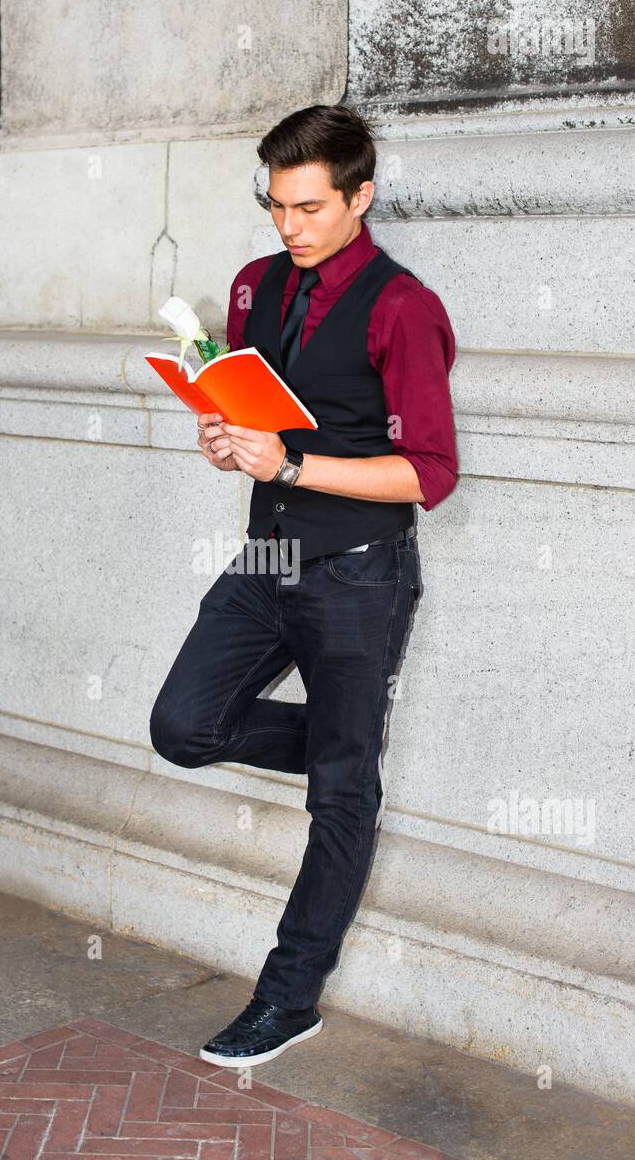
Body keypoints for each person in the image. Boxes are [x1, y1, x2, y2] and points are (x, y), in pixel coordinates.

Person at [149, 103, 458, 1068]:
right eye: (275, 204)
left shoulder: (405, 308)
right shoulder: (251, 288)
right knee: (184, 727)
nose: (289, 226)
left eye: (310, 206)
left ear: (360, 196)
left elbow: (429, 476)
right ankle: (341, 756)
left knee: (338, 800)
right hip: (269, 559)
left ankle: (287, 1000)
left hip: (360, 571)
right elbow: (258, 411)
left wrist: (285, 467)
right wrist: (224, 438)